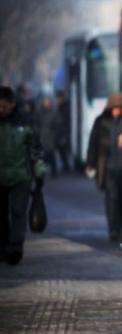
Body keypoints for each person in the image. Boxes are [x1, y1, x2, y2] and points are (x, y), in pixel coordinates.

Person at [86, 92, 122, 241]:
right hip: (108, 166)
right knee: (111, 197)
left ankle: (119, 225)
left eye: (119, 107)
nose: (116, 110)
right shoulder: (101, 121)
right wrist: (90, 163)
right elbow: (93, 143)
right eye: (114, 107)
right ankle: (113, 229)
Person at [0, 86, 46, 265]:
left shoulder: (25, 122)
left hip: (21, 176)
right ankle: (3, 246)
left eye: (4, 106)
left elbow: (35, 150)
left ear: (12, 104)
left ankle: (16, 247)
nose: (1, 110)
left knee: (18, 212)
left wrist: (39, 174)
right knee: (1, 215)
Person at [35, 95, 59, 177]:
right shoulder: (39, 112)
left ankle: (54, 172)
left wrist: (54, 132)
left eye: (48, 101)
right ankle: (41, 172)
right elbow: (36, 124)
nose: (46, 103)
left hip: (50, 137)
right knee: (41, 156)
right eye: (45, 101)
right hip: (42, 137)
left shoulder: (54, 112)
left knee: (51, 155)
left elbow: (58, 124)